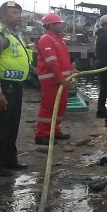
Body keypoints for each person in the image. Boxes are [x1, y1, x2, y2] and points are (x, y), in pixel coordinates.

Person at [0, 1, 32, 176]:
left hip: (14, 87)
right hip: (2, 87)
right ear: (2, 15)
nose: (18, 15)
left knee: (12, 125)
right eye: (13, 12)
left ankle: (9, 160)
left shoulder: (14, 35)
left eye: (19, 12)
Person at [34, 13, 75, 145]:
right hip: (52, 80)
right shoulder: (46, 40)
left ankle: (54, 131)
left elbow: (63, 59)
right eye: (58, 23)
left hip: (61, 80)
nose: (61, 25)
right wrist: (60, 78)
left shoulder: (58, 39)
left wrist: (71, 71)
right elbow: (52, 61)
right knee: (48, 107)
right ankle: (41, 135)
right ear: (50, 25)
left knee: (60, 107)